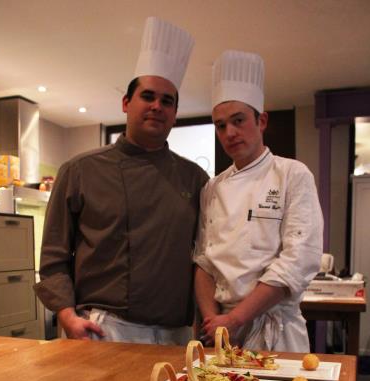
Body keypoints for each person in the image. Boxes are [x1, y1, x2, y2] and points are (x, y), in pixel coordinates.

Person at [35, 17, 208, 345]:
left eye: (167, 101)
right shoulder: (80, 171)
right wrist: (69, 317)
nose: (157, 106)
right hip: (106, 328)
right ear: (126, 103)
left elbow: (205, 259)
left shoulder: (195, 179)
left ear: (174, 113)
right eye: (148, 96)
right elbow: (54, 258)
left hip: (176, 332)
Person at [194, 49, 323, 352]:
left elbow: (297, 261)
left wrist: (237, 318)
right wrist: (214, 321)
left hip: (276, 331)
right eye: (221, 125)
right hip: (224, 335)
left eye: (239, 120)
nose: (230, 133)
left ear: (261, 120)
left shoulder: (292, 174)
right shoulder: (212, 188)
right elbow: (203, 262)